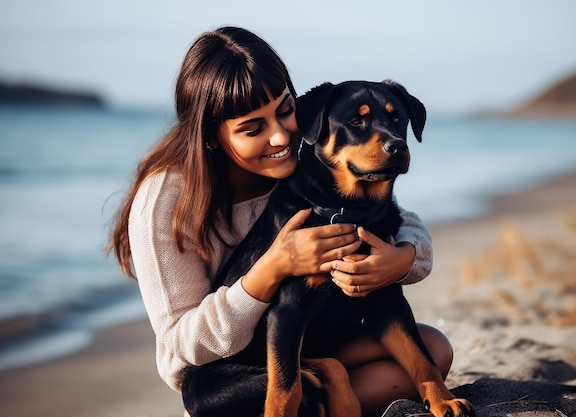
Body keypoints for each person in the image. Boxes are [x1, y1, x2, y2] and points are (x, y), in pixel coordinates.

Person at [107, 26, 452, 417]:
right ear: (211, 136)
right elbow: (186, 346)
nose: (280, 138)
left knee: (435, 349)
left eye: (285, 110)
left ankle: (322, 388)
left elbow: (398, 218)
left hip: (315, 345)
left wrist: (403, 259)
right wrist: (272, 267)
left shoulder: (309, 160)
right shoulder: (168, 200)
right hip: (226, 375)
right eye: (253, 128)